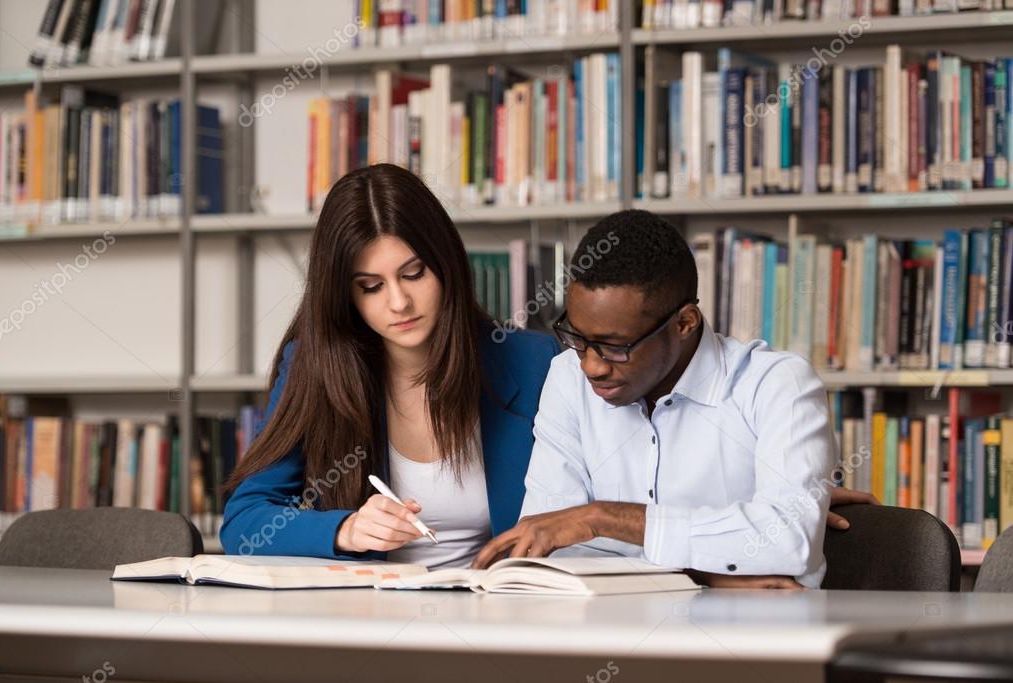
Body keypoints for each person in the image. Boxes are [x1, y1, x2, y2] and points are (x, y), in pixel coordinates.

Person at [472, 210, 876, 588]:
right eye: (578, 338)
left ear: (684, 323)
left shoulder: (778, 385)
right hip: (609, 637)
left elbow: (786, 541)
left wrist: (599, 518)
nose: (591, 366)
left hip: (757, 643)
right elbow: (551, 551)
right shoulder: (567, 379)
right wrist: (707, 574)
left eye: (615, 346)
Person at [219, 164, 559, 568]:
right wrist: (345, 529)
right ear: (346, 296)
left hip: (500, 613)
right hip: (369, 617)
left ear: (447, 265)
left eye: (413, 274)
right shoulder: (313, 369)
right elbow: (244, 523)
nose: (399, 302)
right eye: (371, 287)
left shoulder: (533, 362)